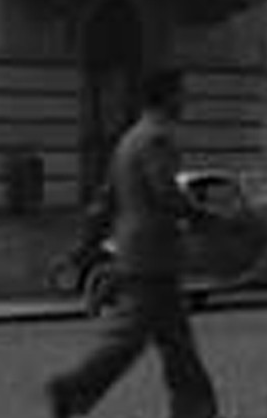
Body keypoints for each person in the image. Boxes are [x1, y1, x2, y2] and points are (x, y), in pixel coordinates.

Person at [46, 69, 219, 418]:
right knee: (133, 337)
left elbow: (106, 201)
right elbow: (165, 192)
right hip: (154, 253)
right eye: (182, 94)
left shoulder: (128, 140)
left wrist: (83, 249)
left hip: (138, 252)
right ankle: (74, 387)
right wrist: (205, 217)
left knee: (171, 340)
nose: (186, 101)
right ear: (168, 97)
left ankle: (195, 407)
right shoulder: (158, 138)